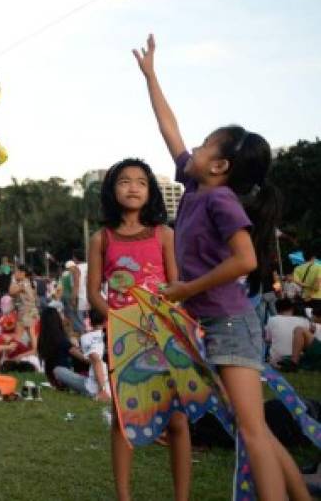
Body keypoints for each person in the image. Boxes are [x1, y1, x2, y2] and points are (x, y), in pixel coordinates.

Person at [135, 32, 309, 500]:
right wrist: (152, 77)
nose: (194, 147)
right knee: (254, 428)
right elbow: (169, 129)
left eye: (206, 145)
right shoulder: (195, 189)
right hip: (213, 321)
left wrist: (186, 289)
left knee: (251, 433)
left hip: (231, 323)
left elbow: (245, 260)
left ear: (221, 166)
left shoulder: (222, 201)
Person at [86, 157, 192, 501]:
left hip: (163, 335)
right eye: (124, 181)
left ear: (150, 192)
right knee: (123, 417)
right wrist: (119, 322)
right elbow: (93, 294)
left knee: (177, 420)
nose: (133, 187)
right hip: (122, 338)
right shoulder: (101, 238)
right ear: (112, 190)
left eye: (141, 182)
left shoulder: (165, 234)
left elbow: (176, 285)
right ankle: (123, 496)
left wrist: (162, 319)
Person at [52, 308, 110, 401]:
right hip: (111, 385)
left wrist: (102, 390)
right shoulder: (110, 337)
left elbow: (94, 359)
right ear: (105, 321)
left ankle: (101, 392)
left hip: (93, 387)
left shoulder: (86, 338)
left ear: (90, 321)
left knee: (58, 370)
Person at [36, 305, 87, 389]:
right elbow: (82, 357)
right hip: (63, 375)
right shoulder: (62, 340)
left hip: (52, 378)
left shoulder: (43, 340)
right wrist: (95, 361)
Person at [265, 299, 310, 368]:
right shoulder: (304, 320)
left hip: (278, 358)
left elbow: (268, 340)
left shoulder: (272, 319)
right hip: (299, 357)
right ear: (292, 308)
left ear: (276, 309)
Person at [60, 260, 84, 334]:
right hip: (74, 295)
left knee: (72, 313)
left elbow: (63, 286)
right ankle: (78, 328)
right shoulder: (78, 272)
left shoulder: (66, 274)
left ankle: (78, 329)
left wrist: (72, 298)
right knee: (76, 313)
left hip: (68, 295)